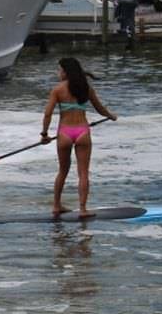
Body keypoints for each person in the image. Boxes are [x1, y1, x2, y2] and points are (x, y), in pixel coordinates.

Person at [40, 57, 118, 218]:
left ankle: (56, 206)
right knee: (83, 173)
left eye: (59, 70)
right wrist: (111, 116)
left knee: (62, 171)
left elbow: (47, 113)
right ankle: (83, 209)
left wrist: (44, 134)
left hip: (64, 133)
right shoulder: (85, 88)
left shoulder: (58, 89)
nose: (58, 73)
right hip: (83, 132)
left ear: (66, 72)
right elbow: (100, 108)